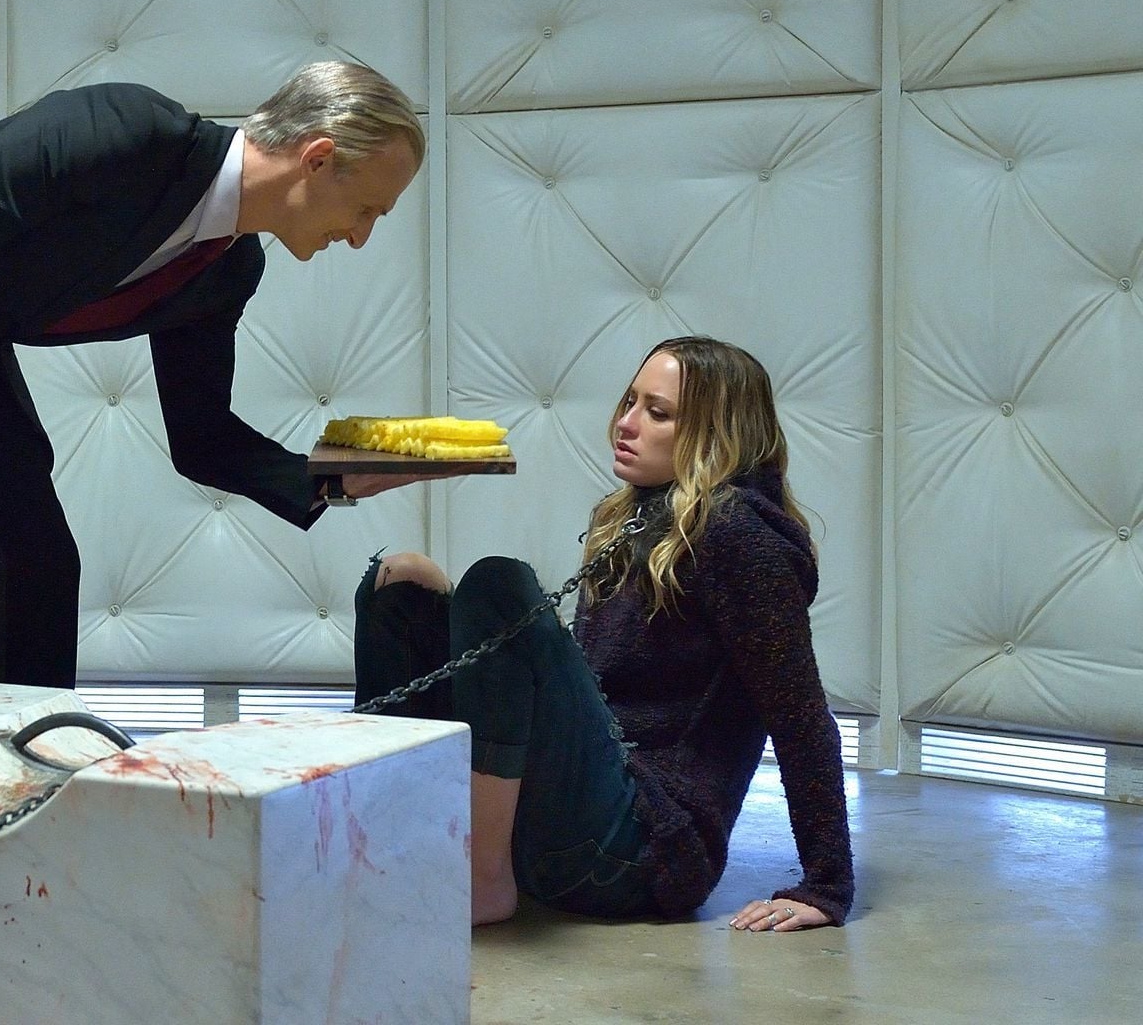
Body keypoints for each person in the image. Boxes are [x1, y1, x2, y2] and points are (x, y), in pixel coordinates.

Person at [0, 61, 435, 689]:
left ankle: (40, 757)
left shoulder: (228, 269)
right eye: (367, 209)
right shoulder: (129, 128)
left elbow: (201, 436)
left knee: (43, 562)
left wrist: (332, 476)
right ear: (317, 159)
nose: (361, 236)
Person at [353, 336, 853, 930]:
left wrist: (826, 884)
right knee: (401, 580)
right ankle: (395, 843)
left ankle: (482, 882)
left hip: (641, 849)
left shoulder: (740, 537)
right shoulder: (630, 515)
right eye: (630, 401)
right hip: (569, 815)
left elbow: (799, 714)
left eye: (657, 413)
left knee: (497, 585)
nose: (626, 423)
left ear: (717, 438)